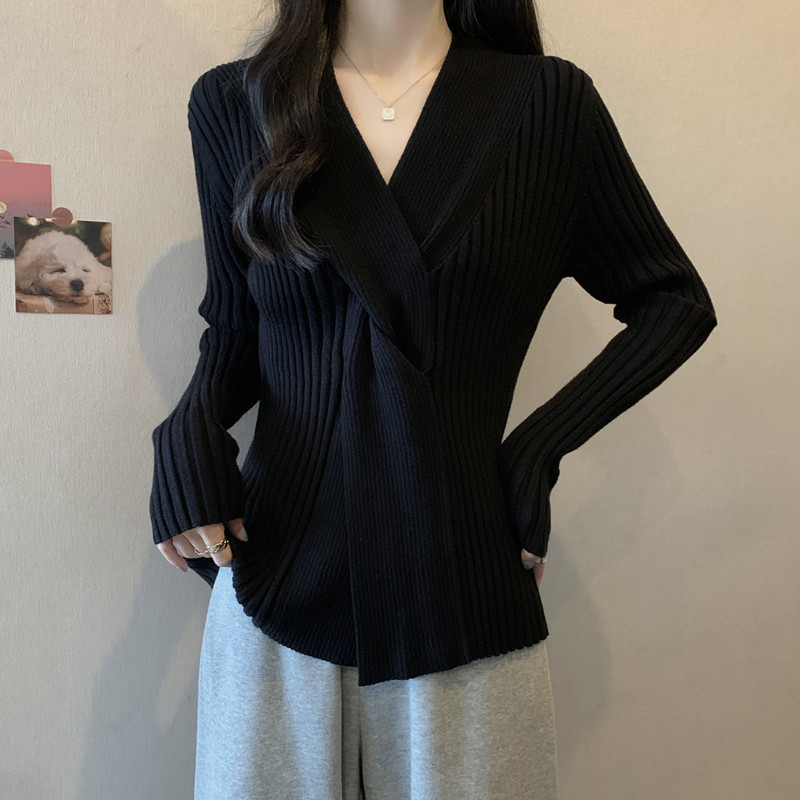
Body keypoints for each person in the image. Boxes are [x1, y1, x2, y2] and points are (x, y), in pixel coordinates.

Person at [149, 0, 718, 797]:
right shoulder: (238, 103)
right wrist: (186, 431)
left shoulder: (548, 105)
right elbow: (238, 327)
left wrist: (535, 451)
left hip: (461, 576)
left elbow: (673, 302)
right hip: (273, 573)